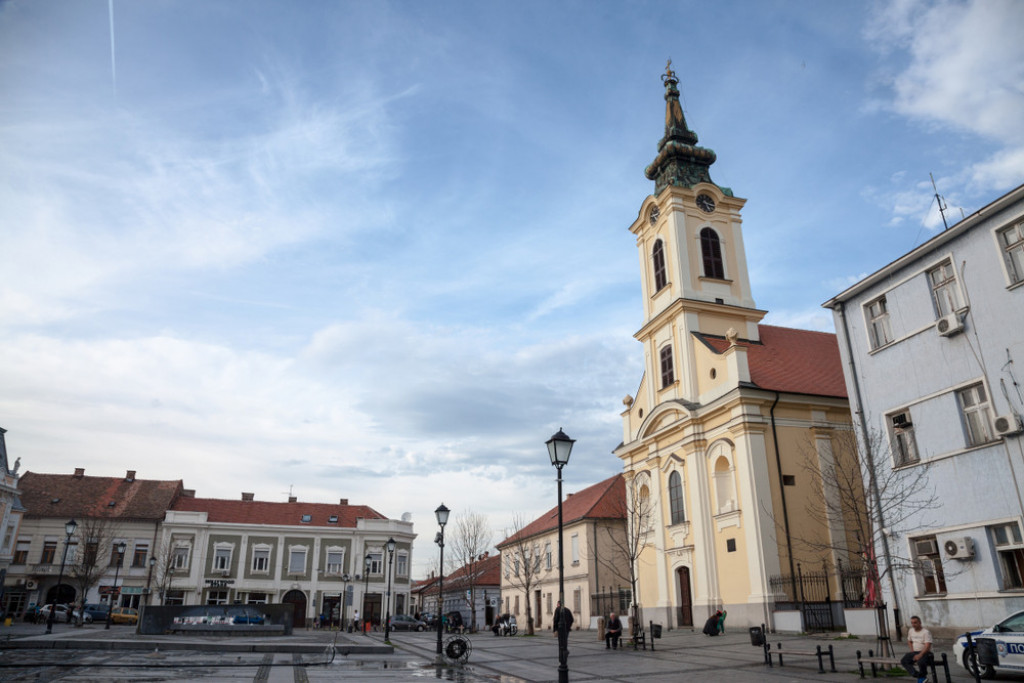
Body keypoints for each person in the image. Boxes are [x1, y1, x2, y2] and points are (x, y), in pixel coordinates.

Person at [900, 615, 933, 683]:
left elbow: (927, 646)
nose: (913, 624)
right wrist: (912, 651)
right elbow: (909, 641)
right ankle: (919, 676)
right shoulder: (911, 631)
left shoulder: (926, 632)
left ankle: (922, 677)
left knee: (921, 662)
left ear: (919, 623)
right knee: (904, 660)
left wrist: (920, 655)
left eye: (915, 623)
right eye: (912, 623)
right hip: (915, 652)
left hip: (926, 653)